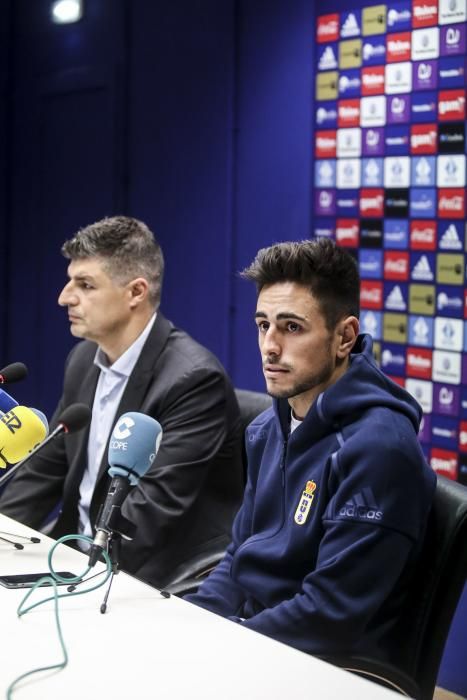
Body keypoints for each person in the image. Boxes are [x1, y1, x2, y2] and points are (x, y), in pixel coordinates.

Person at [186, 238, 436, 661]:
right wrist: (188, 627)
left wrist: (217, 647)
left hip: (326, 671)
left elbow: (328, 616)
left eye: (292, 327)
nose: (270, 345)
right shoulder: (267, 427)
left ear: (344, 338)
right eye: (263, 324)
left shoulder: (380, 450)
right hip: (253, 645)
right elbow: (238, 558)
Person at [0, 216, 243, 588]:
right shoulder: (83, 360)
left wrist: (72, 574)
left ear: (135, 292)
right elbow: (43, 471)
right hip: (70, 553)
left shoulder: (193, 380)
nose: (64, 297)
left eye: (85, 285)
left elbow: (150, 516)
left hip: (142, 577)